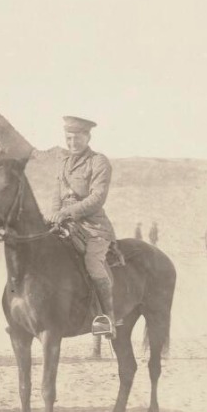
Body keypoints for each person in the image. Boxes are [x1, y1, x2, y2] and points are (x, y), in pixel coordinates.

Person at [50, 116, 119, 340]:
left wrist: (67, 212)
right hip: (65, 224)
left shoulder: (98, 162)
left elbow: (97, 198)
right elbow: (56, 197)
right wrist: (54, 216)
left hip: (93, 228)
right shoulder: (62, 163)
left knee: (92, 262)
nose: (72, 143)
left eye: (77, 138)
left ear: (88, 137)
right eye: (69, 138)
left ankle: (107, 318)